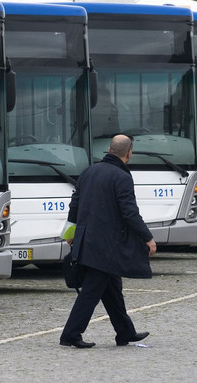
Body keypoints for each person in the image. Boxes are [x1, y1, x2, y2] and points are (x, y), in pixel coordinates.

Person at [59, 134, 157, 348]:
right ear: (129, 153)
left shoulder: (89, 171)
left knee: (112, 289)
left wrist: (70, 234)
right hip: (107, 246)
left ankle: (125, 332)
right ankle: (70, 335)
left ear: (110, 149)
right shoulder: (121, 177)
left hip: (88, 242)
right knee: (92, 292)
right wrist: (147, 237)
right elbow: (129, 212)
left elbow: (74, 205)